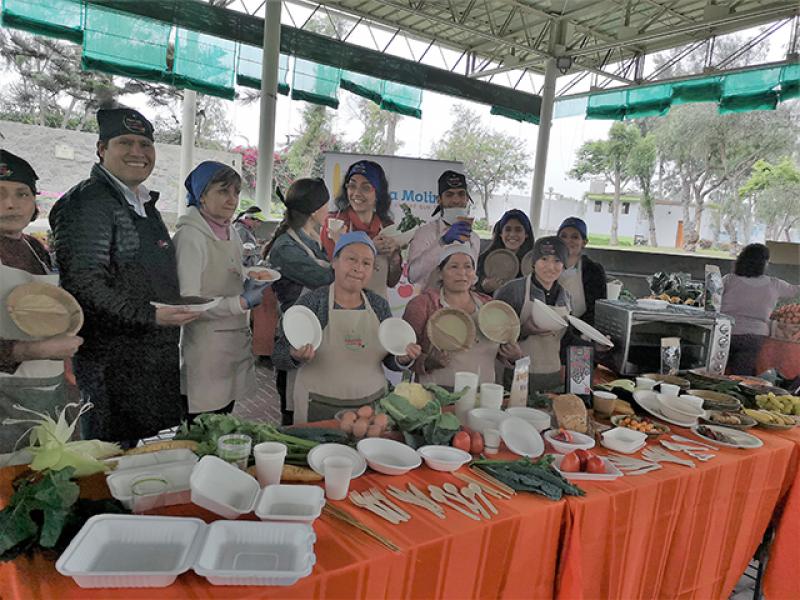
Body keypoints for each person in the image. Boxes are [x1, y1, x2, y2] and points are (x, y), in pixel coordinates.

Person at [49, 106, 199, 446]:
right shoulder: (88, 203)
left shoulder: (141, 202)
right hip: (111, 364)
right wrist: (152, 315)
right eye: (125, 142)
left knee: (139, 454)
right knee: (109, 456)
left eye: (145, 144)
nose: (137, 152)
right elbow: (84, 285)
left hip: (147, 360)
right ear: (102, 149)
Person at [272, 231, 421, 423]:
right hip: (318, 407)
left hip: (369, 408)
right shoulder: (312, 302)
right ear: (334, 262)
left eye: (366, 263)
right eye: (351, 259)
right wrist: (294, 355)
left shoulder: (379, 305)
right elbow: (278, 355)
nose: (358, 268)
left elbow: (389, 360)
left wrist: (402, 358)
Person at [0, 150, 83, 459]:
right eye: (0, 194)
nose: (11, 203)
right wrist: (32, 351)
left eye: (22, 193)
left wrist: (64, 366)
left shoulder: (34, 247)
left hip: (47, 387)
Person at [173, 161, 271, 421]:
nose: (232, 200)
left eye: (236, 192)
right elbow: (187, 302)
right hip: (206, 350)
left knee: (224, 417)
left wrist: (248, 277)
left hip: (233, 344)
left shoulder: (230, 231)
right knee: (203, 426)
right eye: (222, 191)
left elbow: (228, 272)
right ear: (201, 195)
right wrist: (240, 302)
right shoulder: (191, 237)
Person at [264, 178, 334, 425]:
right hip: (293, 334)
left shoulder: (310, 238)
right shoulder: (285, 248)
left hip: (313, 330)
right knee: (294, 412)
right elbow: (328, 278)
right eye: (326, 204)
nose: (329, 210)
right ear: (315, 210)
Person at [402, 243, 521, 387]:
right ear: (440, 272)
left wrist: (514, 356)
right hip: (437, 395)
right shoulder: (422, 305)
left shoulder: (489, 305)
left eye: (468, 267)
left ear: (474, 273)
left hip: (482, 394)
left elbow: (503, 350)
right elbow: (405, 352)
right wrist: (427, 362)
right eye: (454, 266)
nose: (462, 273)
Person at [495, 237, 572, 393]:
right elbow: (493, 332)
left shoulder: (566, 297)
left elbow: (566, 339)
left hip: (552, 376)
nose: (550, 267)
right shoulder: (513, 290)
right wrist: (524, 330)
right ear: (534, 262)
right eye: (544, 259)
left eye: (557, 261)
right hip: (517, 371)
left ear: (564, 265)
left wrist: (596, 346)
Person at [319, 160, 401, 297]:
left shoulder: (387, 227)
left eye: (365, 187)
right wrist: (370, 248)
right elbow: (334, 273)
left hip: (377, 308)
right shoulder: (335, 223)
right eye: (352, 186)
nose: (356, 193)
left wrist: (394, 258)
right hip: (341, 305)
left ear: (378, 194)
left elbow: (392, 281)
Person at [721, 243, 800, 375]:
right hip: (753, 337)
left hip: (724, 332)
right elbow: (796, 291)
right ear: (764, 263)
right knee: (741, 375)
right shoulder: (775, 284)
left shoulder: (729, 280)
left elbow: (712, 298)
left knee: (714, 371)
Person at [407, 170, 481, 289]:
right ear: (439, 200)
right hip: (431, 303)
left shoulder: (474, 238)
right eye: (449, 195)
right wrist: (442, 242)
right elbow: (412, 275)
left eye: (461, 194)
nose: (456, 200)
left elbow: (472, 277)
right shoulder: (425, 233)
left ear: (467, 199)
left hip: (462, 303)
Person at [556, 217, 607, 325]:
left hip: (581, 330)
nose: (568, 240)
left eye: (574, 237)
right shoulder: (546, 267)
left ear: (584, 242)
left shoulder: (593, 270)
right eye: (563, 236)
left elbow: (597, 308)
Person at [476, 209, 535, 294]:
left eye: (518, 230)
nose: (512, 234)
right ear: (501, 234)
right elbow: (473, 285)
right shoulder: (485, 259)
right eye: (508, 229)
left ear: (526, 234)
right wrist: (483, 286)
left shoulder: (533, 262)